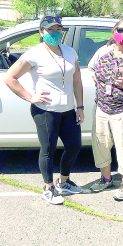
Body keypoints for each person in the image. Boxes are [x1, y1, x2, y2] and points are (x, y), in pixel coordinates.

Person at [4, 15, 84, 205]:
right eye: (50, 30)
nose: (55, 33)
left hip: (68, 110)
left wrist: (80, 106)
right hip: (45, 111)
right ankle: (48, 188)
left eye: (58, 29)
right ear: (42, 32)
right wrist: (30, 96)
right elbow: (10, 78)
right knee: (48, 149)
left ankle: (64, 182)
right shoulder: (33, 54)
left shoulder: (70, 51)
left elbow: (77, 80)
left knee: (74, 146)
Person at [88, 19, 123, 201]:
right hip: (102, 108)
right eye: (120, 30)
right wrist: (95, 80)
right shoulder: (102, 51)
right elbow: (91, 68)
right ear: (114, 31)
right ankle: (106, 179)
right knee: (101, 146)